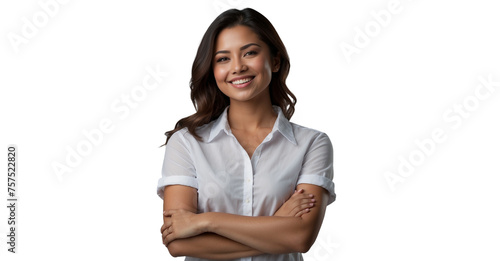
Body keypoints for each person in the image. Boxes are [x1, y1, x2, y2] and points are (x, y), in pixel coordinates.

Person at [157, 8, 336, 260]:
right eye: (223, 59)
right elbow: (178, 243)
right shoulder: (186, 143)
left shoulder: (312, 144)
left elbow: (300, 237)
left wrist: (206, 221)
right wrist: (278, 226)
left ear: (274, 60)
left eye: (250, 53)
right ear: (212, 70)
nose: (238, 67)